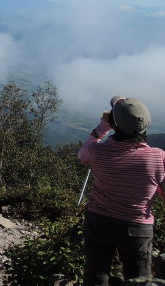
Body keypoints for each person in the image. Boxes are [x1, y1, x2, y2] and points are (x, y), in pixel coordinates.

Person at [78, 96, 165, 285]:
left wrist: (102, 127)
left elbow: (82, 154)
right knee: (138, 279)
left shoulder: (97, 152)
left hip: (98, 221)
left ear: (114, 125)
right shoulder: (158, 158)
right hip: (137, 227)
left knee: (96, 275)